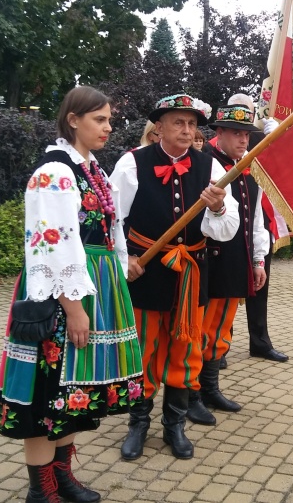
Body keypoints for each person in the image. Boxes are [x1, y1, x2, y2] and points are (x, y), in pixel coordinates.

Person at [0, 86, 144, 503]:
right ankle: (41, 490)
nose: (108, 128)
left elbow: (108, 232)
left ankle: (62, 477)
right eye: (100, 119)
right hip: (61, 295)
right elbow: (52, 243)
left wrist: (119, 267)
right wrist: (74, 308)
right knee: (48, 393)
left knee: (73, 394)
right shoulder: (55, 171)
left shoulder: (92, 168)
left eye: (110, 120)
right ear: (73, 119)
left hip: (93, 287)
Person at [110, 93, 238, 461]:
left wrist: (216, 208)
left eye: (192, 124)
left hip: (190, 276)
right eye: (178, 123)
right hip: (146, 273)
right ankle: (138, 424)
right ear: (160, 127)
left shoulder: (211, 167)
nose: (186, 130)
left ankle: (174, 426)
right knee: (144, 352)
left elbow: (227, 229)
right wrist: (125, 259)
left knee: (185, 351)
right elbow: (111, 219)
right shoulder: (132, 163)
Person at [186, 104, 270, 425]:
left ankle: (210, 387)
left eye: (246, 134)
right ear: (218, 133)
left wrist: (259, 259)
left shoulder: (248, 167)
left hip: (239, 259)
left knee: (221, 327)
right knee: (200, 329)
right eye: (235, 132)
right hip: (209, 260)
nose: (243, 139)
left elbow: (257, 218)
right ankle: (191, 393)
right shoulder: (203, 164)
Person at [219, 93, 289, 364]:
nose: (244, 132)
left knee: (259, 286)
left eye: (251, 114)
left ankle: (260, 341)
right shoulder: (215, 150)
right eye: (239, 115)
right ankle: (220, 345)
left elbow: (285, 160)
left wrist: (279, 133)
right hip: (223, 236)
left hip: (257, 226)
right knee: (224, 292)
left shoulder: (258, 140)